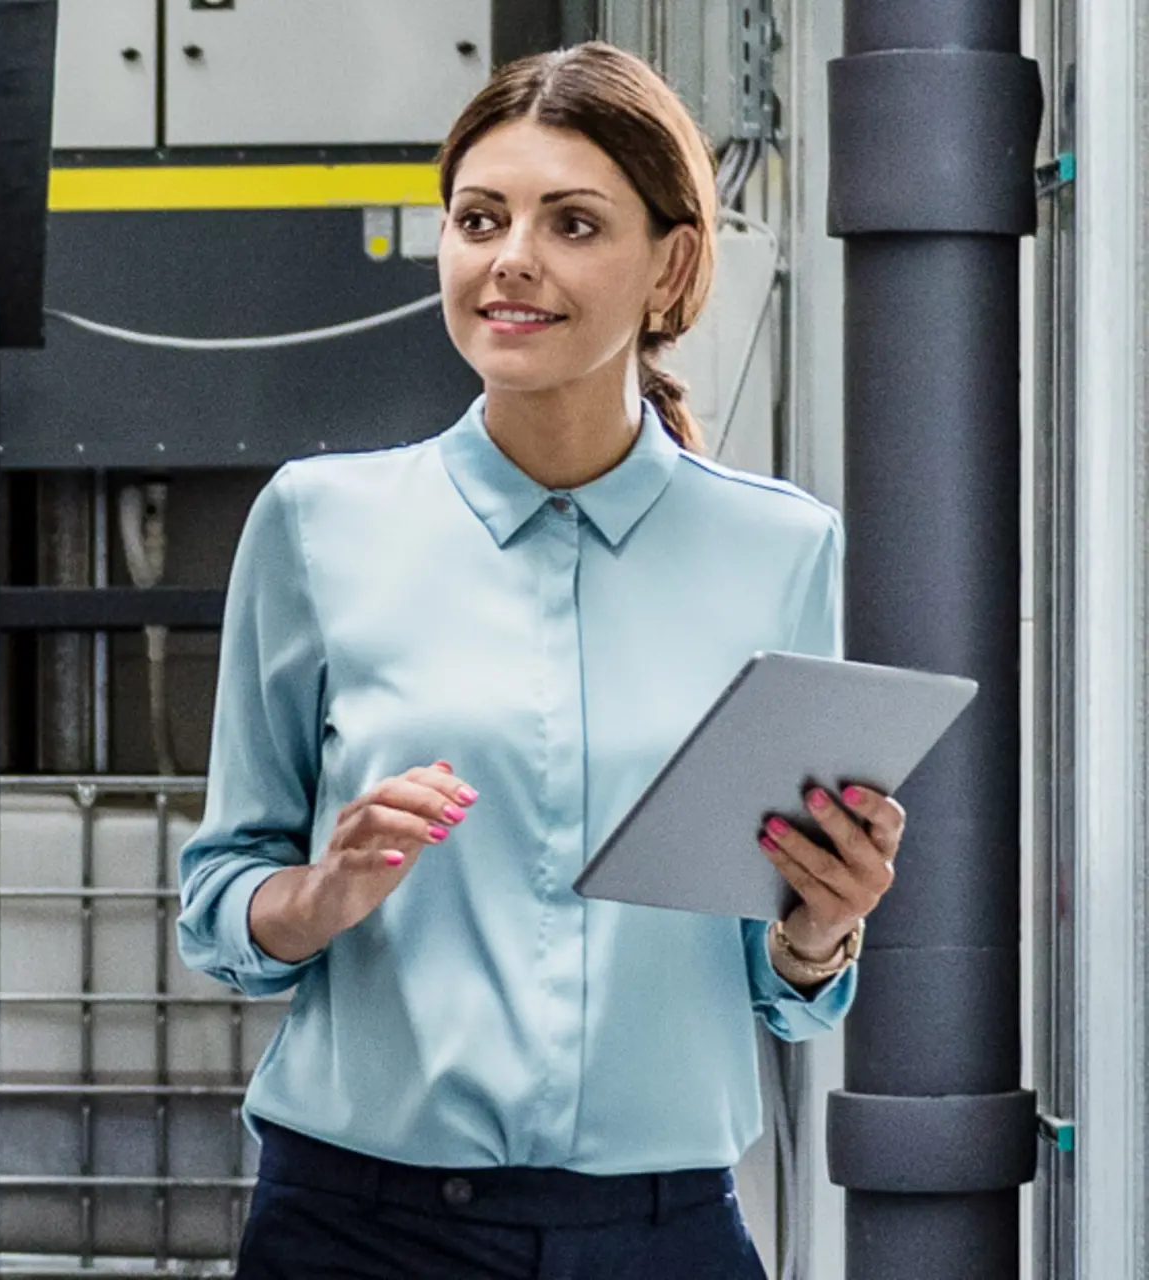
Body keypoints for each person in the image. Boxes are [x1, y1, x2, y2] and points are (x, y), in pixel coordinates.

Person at [178, 40, 905, 1280]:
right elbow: (217, 901)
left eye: (571, 223)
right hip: (356, 1230)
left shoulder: (778, 549)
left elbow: (775, 981)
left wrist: (820, 927)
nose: (510, 257)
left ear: (670, 263)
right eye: (479, 218)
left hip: (661, 1234)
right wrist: (320, 895)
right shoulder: (316, 525)